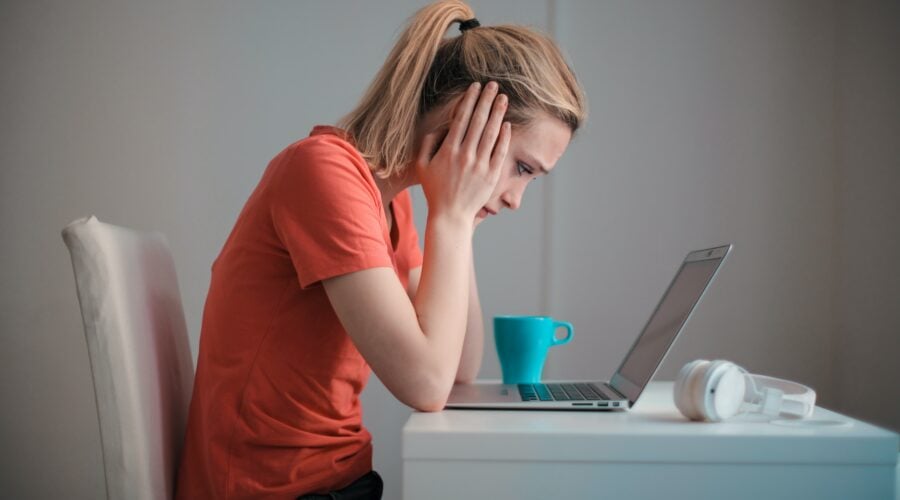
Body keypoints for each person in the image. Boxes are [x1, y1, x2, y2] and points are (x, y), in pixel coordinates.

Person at [175, 0, 586, 498]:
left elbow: (459, 368)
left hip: (339, 483)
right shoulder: (322, 173)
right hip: (267, 490)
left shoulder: (393, 205)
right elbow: (427, 385)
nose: (518, 199)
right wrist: (453, 218)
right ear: (467, 121)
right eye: (523, 168)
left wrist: (459, 218)